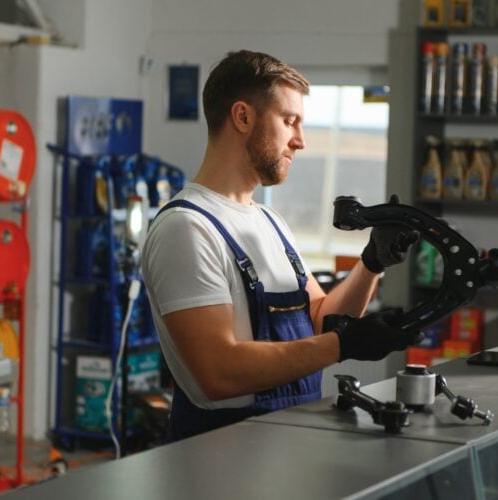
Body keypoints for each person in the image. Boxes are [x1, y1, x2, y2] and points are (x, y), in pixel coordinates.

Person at [141, 50, 421, 443]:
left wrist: (372, 262)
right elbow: (218, 372)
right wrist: (343, 345)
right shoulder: (187, 228)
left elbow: (320, 320)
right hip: (220, 454)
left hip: (289, 442)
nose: (300, 141)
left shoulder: (270, 222)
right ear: (242, 117)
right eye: (289, 121)